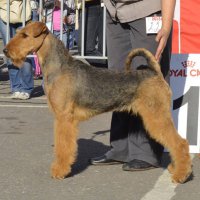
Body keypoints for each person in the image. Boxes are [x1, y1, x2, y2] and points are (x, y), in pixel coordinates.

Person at [90, 0, 176, 171]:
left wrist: (166, 25)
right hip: (114, 12)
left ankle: (145, 152)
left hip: (147, 10)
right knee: (118, 81)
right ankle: (120, 147)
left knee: (146, 82)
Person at [0, 0, 34, 100]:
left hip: (24, 14)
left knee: (24, 51)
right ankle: (16, 88)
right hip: (4, 14)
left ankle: (26, 88)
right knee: (9, 52)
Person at [77, 0, 107, 68]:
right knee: (85, 49)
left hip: (108, 6)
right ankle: (109, 68)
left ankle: (108, 70)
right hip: (89, 5)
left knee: (104, 50)